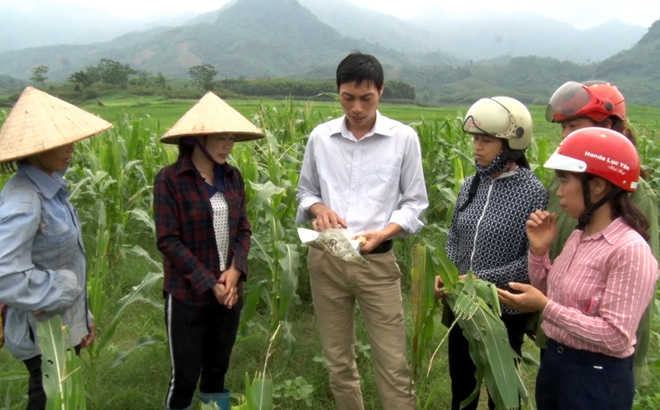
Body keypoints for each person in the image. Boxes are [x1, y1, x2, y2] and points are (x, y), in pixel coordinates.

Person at [296, 52, 428, 410]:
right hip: (327, 260)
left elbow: (416, 203)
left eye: (366, 98)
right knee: (338, 361)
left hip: (377, 265)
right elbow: (305, 191)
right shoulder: (321, 138)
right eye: (347, 97)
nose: (356, 107)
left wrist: (384, 233)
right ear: (337, 92)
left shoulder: (403, 139)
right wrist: (318, 208)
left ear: (381, 91)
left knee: (393, 364)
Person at [498, 127, 658, 410]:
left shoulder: (628, 249)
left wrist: (545, 307)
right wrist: (539, 251)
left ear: (596, 185)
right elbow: (550, 291)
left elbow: (615, 335)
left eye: (565, 181)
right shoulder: (579, 235)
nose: (558, 192)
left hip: (596, 376)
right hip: (558, 364)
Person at [540, 80, 659, 384]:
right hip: (559, 338)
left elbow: (633, 290)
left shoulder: (636, 196)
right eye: (562, 128)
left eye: (574, 126)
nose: (565, 136)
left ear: (606, 125)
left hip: (599, 356)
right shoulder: (562, 186)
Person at [433, 96, 548, 410]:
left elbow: (531, 262)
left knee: (502, 394)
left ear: (511, 144)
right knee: (462, 387)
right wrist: (447, 271)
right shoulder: (472, 184)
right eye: (475, 140)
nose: (477, 147)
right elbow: (455, 233)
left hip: (504, 310)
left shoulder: (532, 192)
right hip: (462, 308)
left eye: (486, 140)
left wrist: (476, 280)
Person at [0, 87, 110, 410]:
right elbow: (5, 273)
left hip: (60, 328)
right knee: (50, 401)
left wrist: (82, 320)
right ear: (36, 149)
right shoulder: (25, 199)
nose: (72, 148)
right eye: (61, 142)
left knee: (61, 399)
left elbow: (65, 258)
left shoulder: (50, 188)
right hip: (42, 337)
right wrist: (61, 289)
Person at [154, 92, 263, 410]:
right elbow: (168, 240)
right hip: (187, 293)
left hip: (229, 292)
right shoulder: (170, 180)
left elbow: (243, 229)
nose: (227, 145)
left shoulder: (232, 177)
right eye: (220, 137)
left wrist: (235, 271)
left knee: (217, 372)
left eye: (231, 138)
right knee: (185, 377)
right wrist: (209, 283)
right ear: (199, 137)